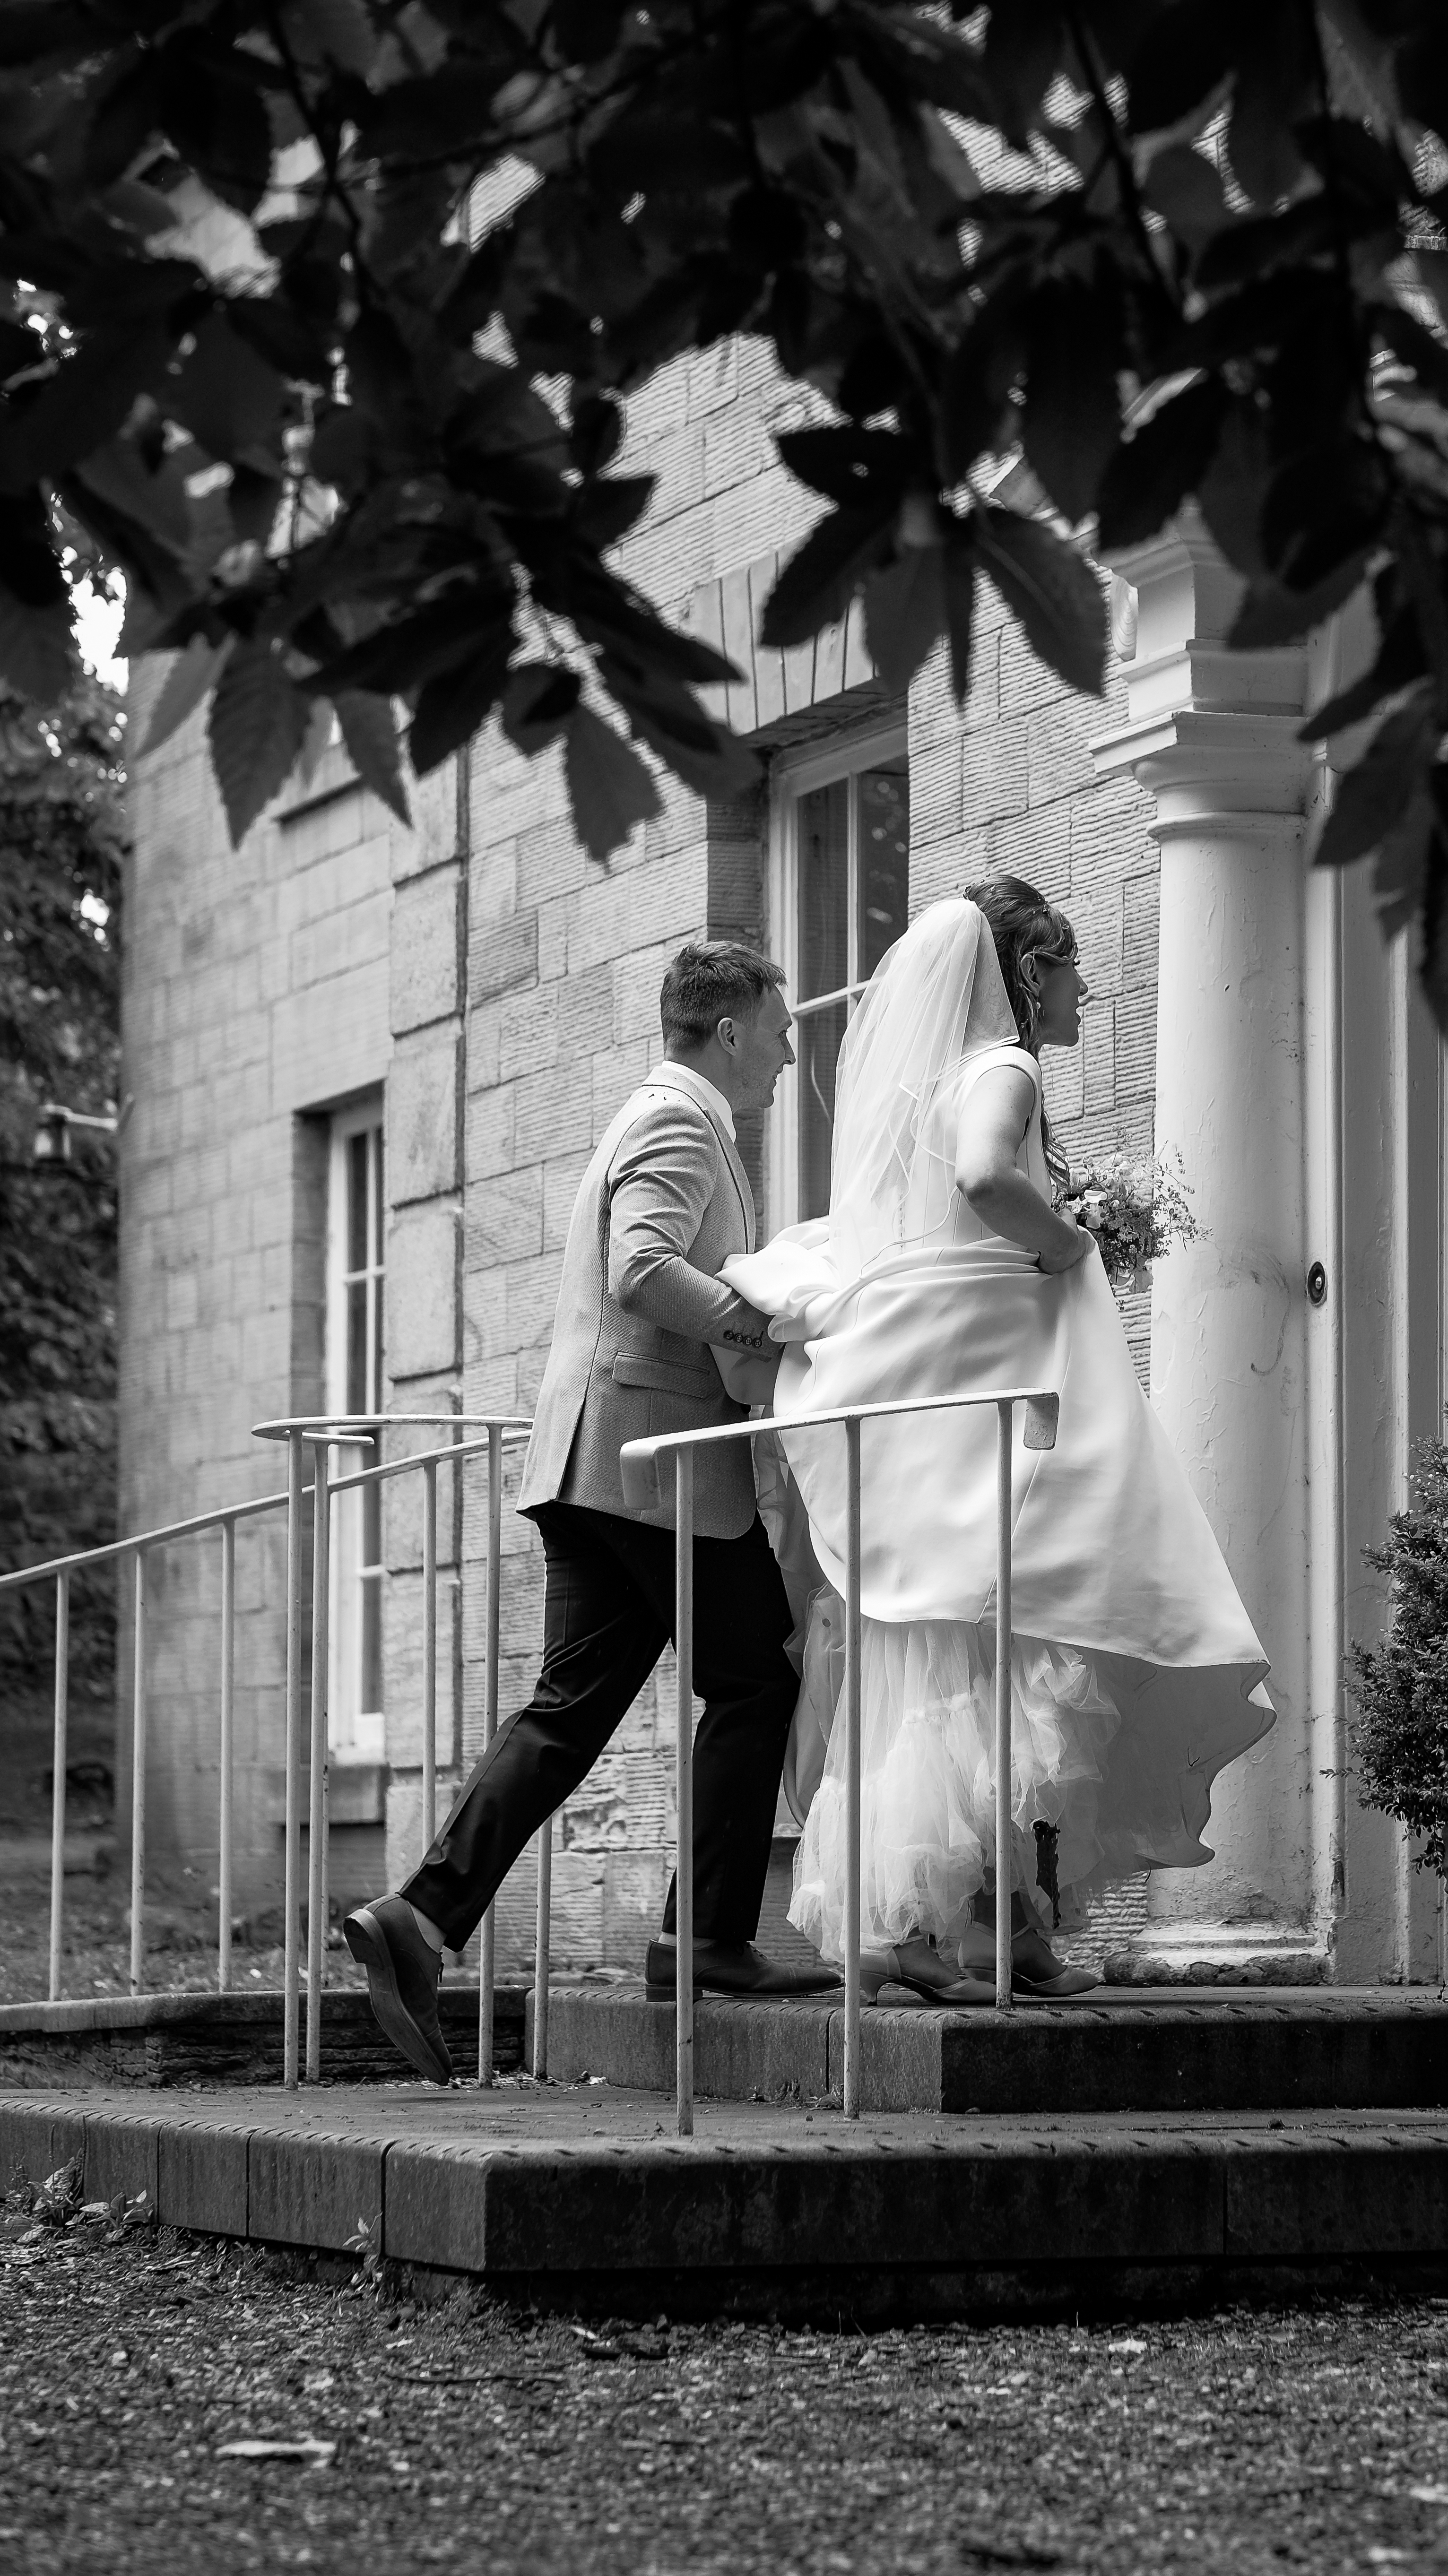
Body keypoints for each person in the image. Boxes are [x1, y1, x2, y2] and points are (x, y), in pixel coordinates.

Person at [725, 880, 1274, 2005]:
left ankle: (991, 1923)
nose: (1085, 989)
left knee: (965, 1653)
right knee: (1012, 1639)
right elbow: (984, 1181)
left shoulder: (926, 1088)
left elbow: (928, 1218)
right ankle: (927, 1926)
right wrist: (1070, 1240)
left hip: (942, 1393)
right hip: (998, 1401)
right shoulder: (1005, 1072)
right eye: (1070, 969)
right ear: (1028, 976)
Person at [344, 939, 835, 2087]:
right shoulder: (679, 1118)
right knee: (760, 1670)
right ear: (726, 1030)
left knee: (572, 1709)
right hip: (647, 1469)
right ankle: (703, 1939)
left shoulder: (660, 1114)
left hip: (598, 1466)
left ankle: (420, 1919)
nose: (785, 1047)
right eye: (777, 1025)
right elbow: (641, 1267)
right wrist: (760, 1331)